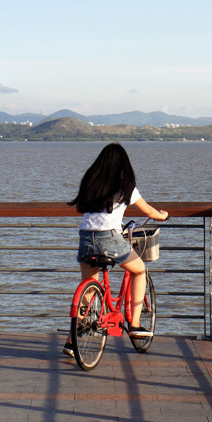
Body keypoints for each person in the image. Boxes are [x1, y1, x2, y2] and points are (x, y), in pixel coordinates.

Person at [65, 143, 169, 357]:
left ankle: (70, 342)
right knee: (139, 270)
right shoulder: (126, 186)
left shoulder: (91, 182)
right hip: (109, 238)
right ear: (123, 165)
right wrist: (162, 215)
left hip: (85, 236)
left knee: (90, 288)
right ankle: (135, 324)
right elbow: (149, 210)